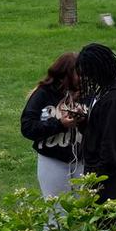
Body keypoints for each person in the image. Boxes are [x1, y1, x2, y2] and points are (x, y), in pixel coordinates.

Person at [67, 44, 116, 204]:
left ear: (99, 69)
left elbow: (112, 145)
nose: (88, 79)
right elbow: (105, 128)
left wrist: (95, 177)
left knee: (104, 224)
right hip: (109, 169)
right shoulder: (113, 87)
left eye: (90, 74)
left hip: (108, 175)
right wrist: (86, 122)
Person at [20, 52, 84, 197]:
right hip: (52, 160)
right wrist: (59, 124)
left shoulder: (88, 93)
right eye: (79, 74)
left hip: (83, 159)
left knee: (86, 210)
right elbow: (27, 127)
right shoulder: (44, 94)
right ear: (66, 74)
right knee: (57, 211)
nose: (83, 78)